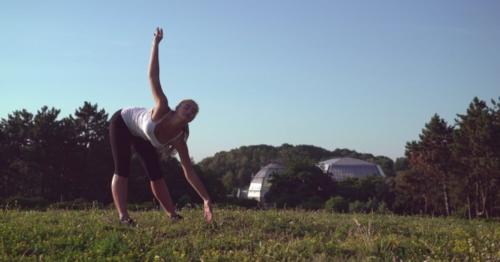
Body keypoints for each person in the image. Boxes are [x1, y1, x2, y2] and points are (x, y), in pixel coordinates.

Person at [108, 27, 212, 225]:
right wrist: (155, 44)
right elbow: (153, 77)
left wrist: (206, 199)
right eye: (188, 106)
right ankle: (124, 217)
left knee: (155, 173)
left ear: (191, 119)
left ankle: (172, 214)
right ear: (178, 107)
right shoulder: (163, 106)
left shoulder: (179, 139)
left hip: (142, 135)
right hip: (122, 122)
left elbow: (189, 172)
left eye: (193, 112)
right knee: (122, 169)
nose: (190, 110)